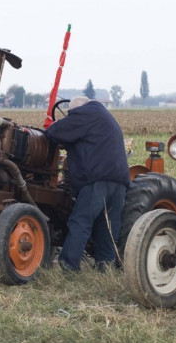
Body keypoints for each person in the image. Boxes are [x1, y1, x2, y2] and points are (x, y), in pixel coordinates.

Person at [45, 96, 131, 271]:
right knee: (107, 227)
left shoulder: (84, 114)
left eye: (71, 113)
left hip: (97, 180)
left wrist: (52, 127)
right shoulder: (103, 116)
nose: (71, 116)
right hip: (119, 181)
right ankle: (106, 267)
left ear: (77, 109)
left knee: (80, 222)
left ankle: (69, 266)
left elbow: (53, 133)